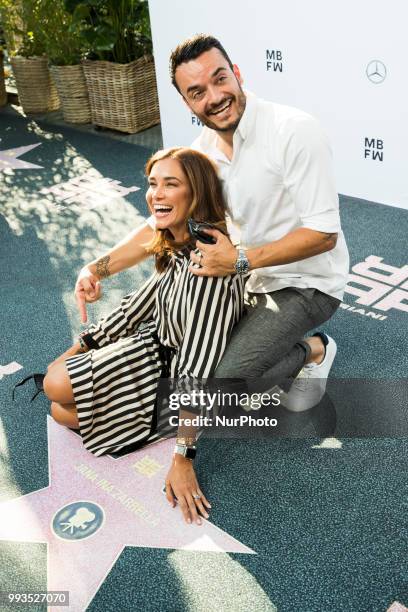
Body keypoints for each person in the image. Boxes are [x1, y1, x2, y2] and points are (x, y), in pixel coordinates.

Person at [74, 34, 349, 411]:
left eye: (220, 79)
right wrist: (96, 268)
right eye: (197, 91)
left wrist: (238, 261)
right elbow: (160, 222)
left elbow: (323, 236)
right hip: (242, 278)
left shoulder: (294, 131)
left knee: (220, 389)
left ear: (236, 73)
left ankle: (314, 349)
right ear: (187, 102)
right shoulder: (201, 152)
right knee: (190, 366)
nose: (215, 97)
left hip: (305, 283)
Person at [40, 147, 247, 526]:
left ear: (196, 193)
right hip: (151, 350)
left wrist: (183, 457)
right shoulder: (176, 241)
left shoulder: (210, 264)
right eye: (153, 184)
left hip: (175, 378)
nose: (157, 194)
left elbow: (197, 364)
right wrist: (82, 345)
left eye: (171, 184)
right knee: (56, 395)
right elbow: (140, 304)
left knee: (57, 393)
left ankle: (303, 351)